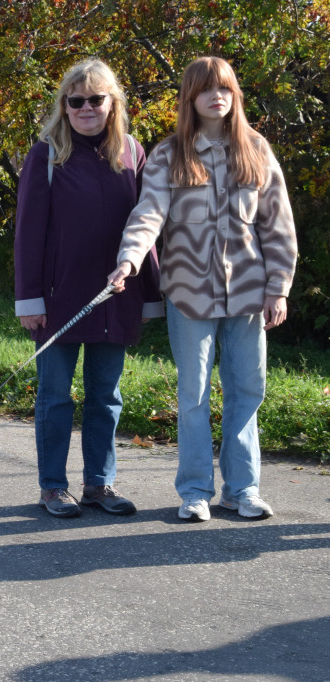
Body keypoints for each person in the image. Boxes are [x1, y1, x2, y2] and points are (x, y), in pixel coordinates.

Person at [108, 56, 297, 522]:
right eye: (206, 89)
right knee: (193, 395)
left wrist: (279, 288)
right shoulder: (171, 154)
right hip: (189, 295)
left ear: (236, 96)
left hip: (250, 295)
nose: (218, 96)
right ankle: (194, 491)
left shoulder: (256, 148)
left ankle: (242, 489)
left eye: (226, 89)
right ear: (190, 98)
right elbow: (148, 213)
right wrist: (129, 259)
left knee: (247, 390)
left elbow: (278, 226)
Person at [14, 59, 163, 518]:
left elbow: (147, 222)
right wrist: (29, 298)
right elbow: (28, 232)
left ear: (112, 102)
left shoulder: (133, 152)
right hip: (59, 299)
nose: (85, 108)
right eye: (74, 100)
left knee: (106, 396)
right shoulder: (46, 154)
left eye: (95, 99)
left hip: (115, 298)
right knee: (55, 396)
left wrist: (149, 295)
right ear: (64, 105)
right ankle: (53, 488)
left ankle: (99, 484)